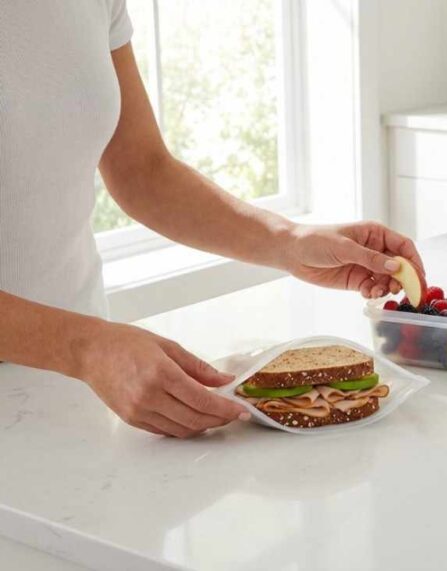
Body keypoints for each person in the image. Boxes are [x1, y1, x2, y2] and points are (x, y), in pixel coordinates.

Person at [0, 1, 425, 438]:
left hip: (76, 386)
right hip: (78, 359)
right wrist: (84, 346)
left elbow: (143, 171)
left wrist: (289, 241)